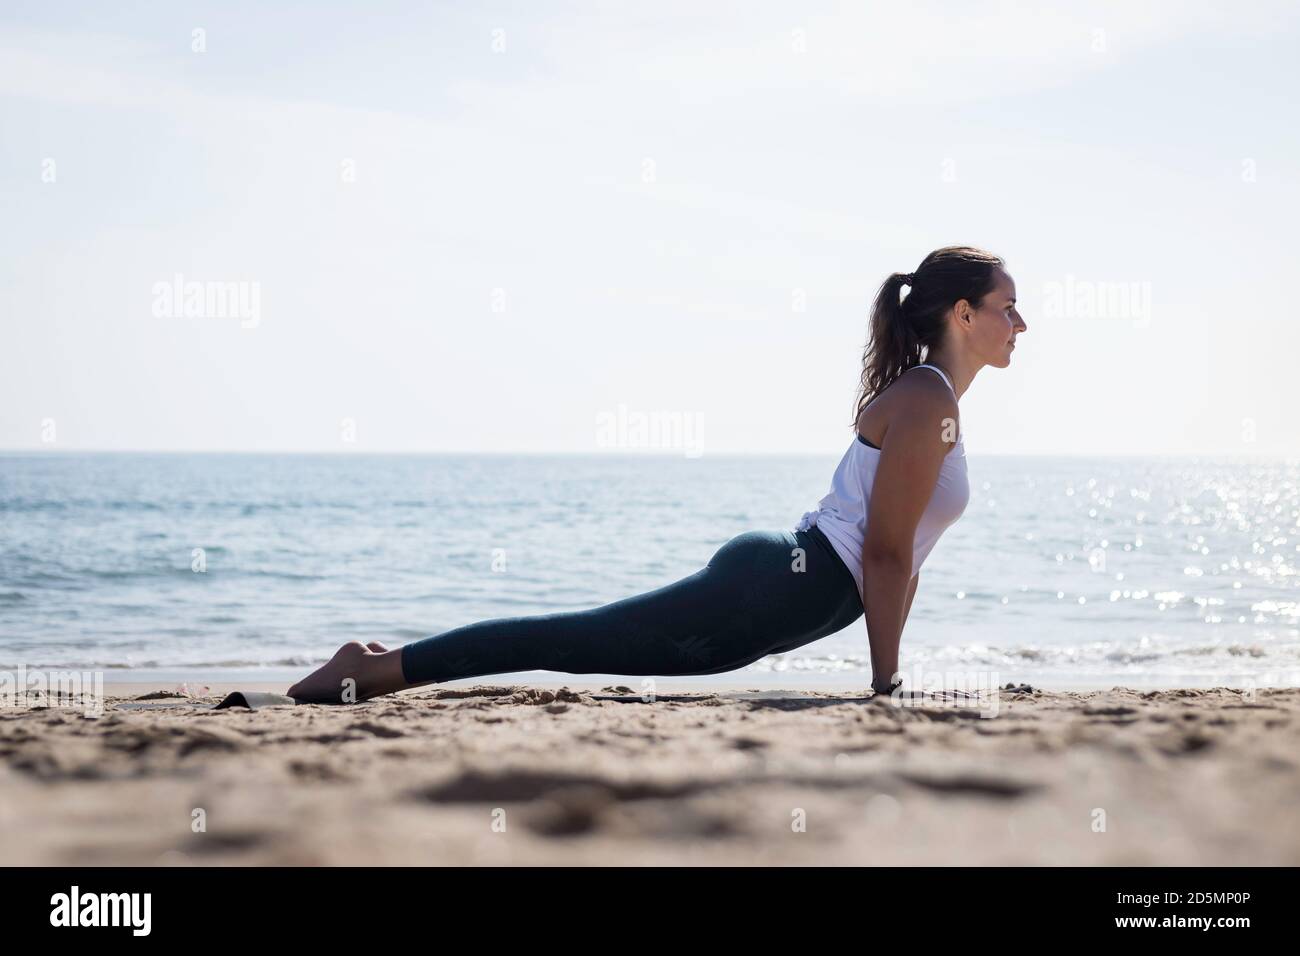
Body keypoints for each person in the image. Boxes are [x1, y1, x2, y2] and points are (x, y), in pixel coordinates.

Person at [288, 245, 1026, 703]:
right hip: (775, 588)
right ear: (963, 314)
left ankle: (387, 661)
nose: (1020, 324)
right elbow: (886, 553)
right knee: (573, 641)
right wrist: (885, 684)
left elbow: (908, 553)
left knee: (579, 641)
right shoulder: (928, 399)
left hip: (787, 598)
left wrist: (884, 677)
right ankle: (376, 668)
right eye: (1008, 307)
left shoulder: (935, 400)